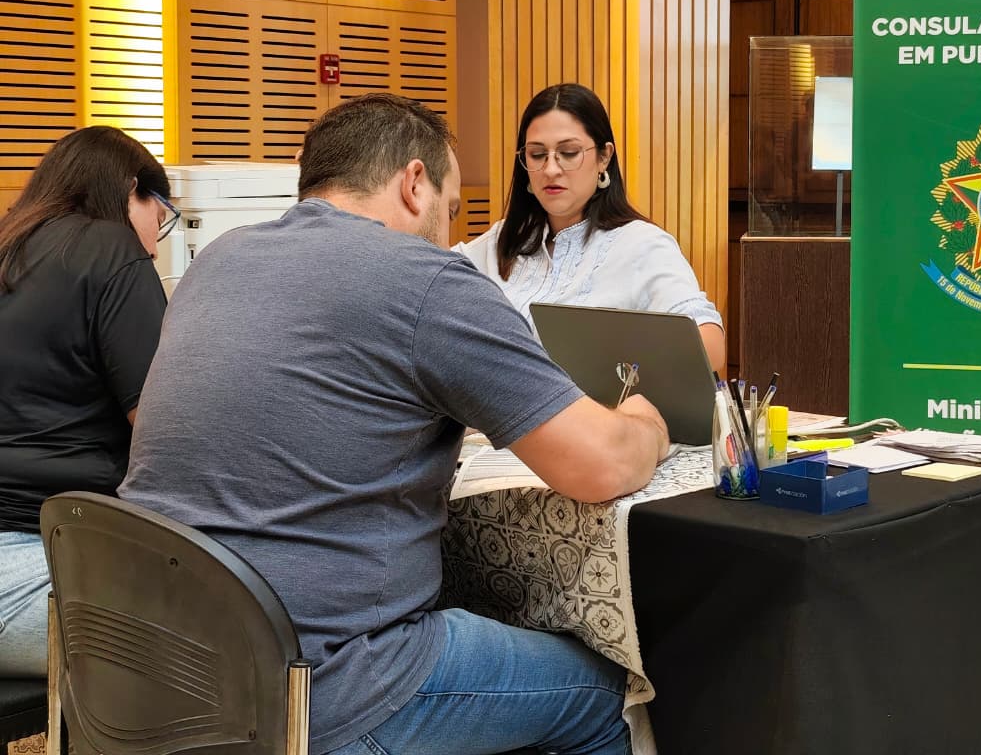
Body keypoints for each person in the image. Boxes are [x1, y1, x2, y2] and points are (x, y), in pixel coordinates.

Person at [119, 93, 669, 755]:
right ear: (414, 183)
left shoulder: (217, 260)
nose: (447, 233)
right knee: (606, 694)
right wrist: (645, 418)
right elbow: (602, 464)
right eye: (450, 209)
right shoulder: (425, 278)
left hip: (151, 668)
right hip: (318, 688)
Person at [0, 126, 175, 676]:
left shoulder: (9, 247)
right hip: (34, 565)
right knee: (249, 628)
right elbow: (164, 431)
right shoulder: (111, 248)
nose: (156, 244)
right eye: (161, 215)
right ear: (131, 191)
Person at [456, 83, 727, 373]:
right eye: (537, 154)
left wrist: (620, 363)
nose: (550, 169)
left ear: (604, 157)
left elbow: (710, 344)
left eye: (568, 152)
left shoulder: (641, 244)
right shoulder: (500, 240)